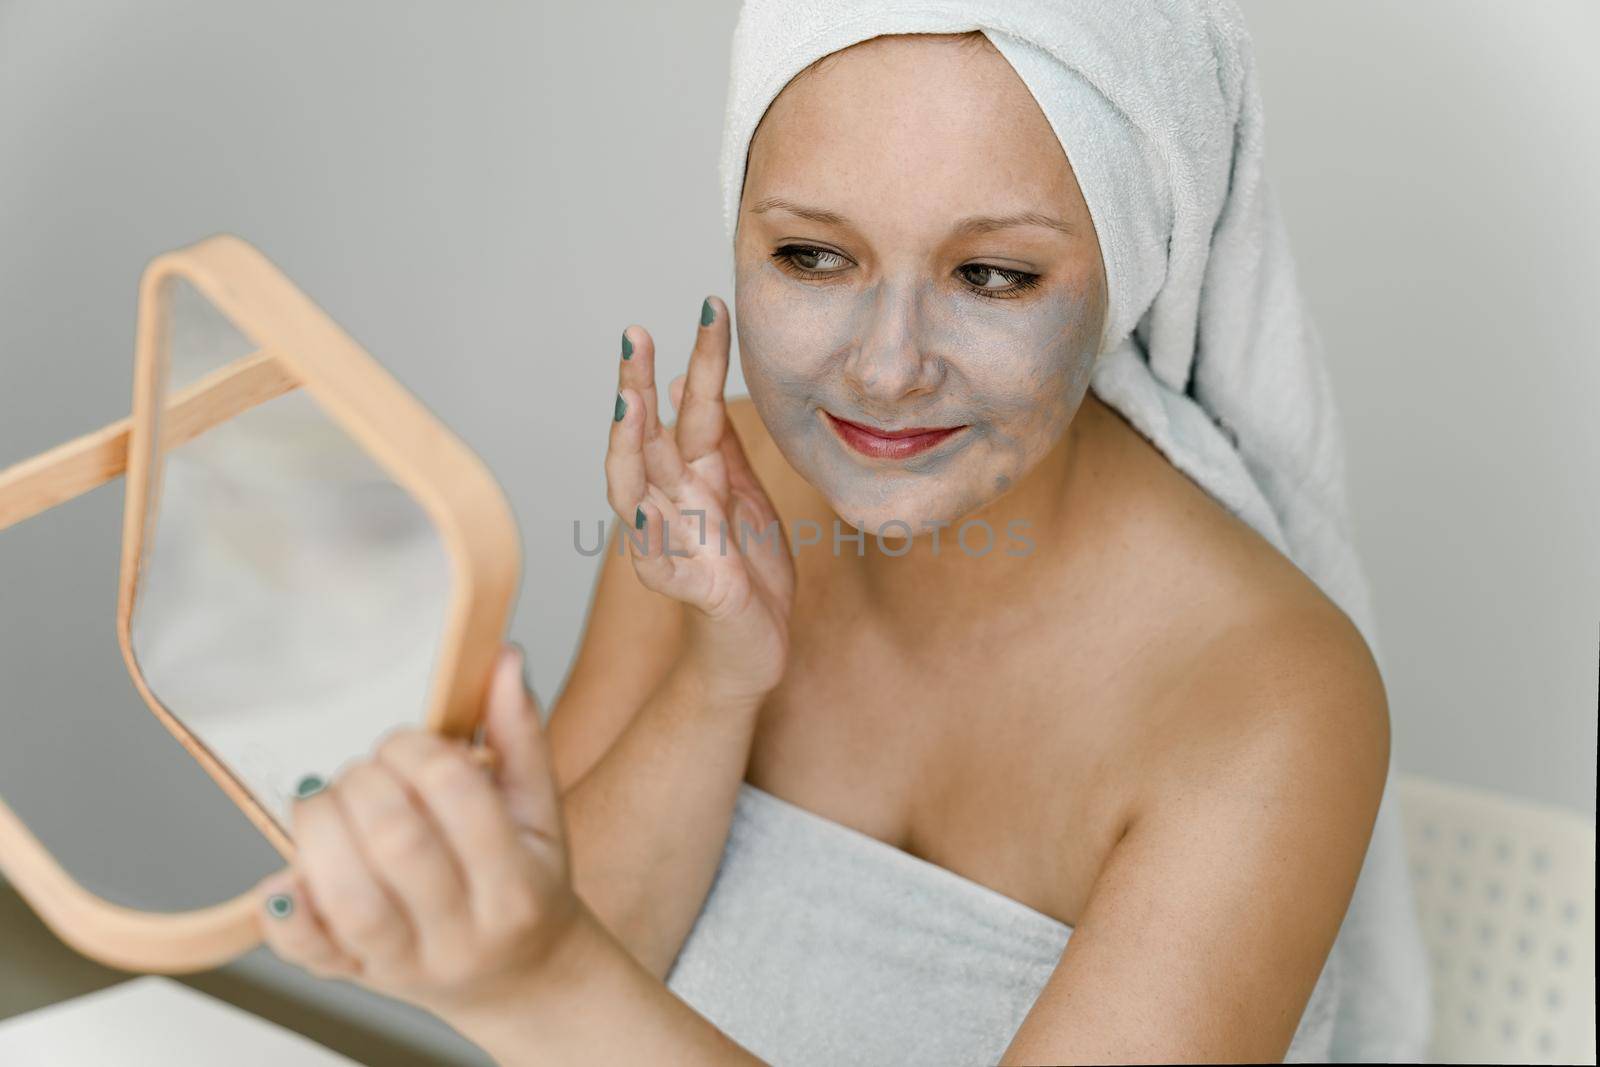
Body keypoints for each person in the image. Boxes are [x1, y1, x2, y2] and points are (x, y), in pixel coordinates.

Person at [252, 5, 1427, 1063]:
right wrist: (718, 683)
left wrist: (541, 976)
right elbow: (565, 979)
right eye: (812, 255)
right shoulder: (720, 490)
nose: (882, 366)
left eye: (993, 274)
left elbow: (556, 989)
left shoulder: (1266, 695)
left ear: (1127, 272)